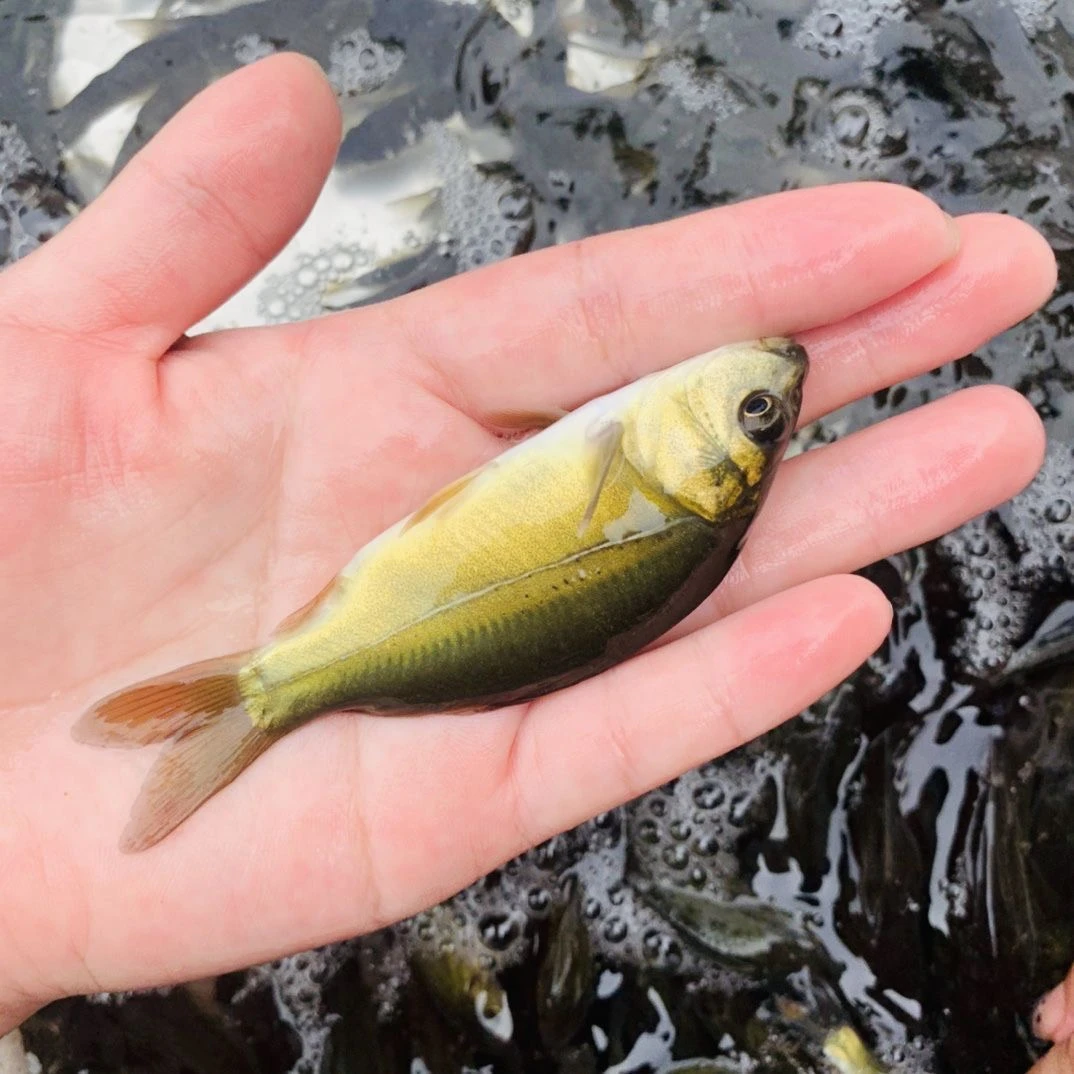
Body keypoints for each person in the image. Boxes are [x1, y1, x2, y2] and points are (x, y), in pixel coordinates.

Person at [0, 52, 1064, 1064]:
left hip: (389, 622)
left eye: (755, 418)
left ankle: (273, 689)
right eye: (762, 419)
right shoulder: (663, 484)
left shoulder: (664, 486)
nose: (772, 392)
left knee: (285, 678)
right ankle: (272, 689)